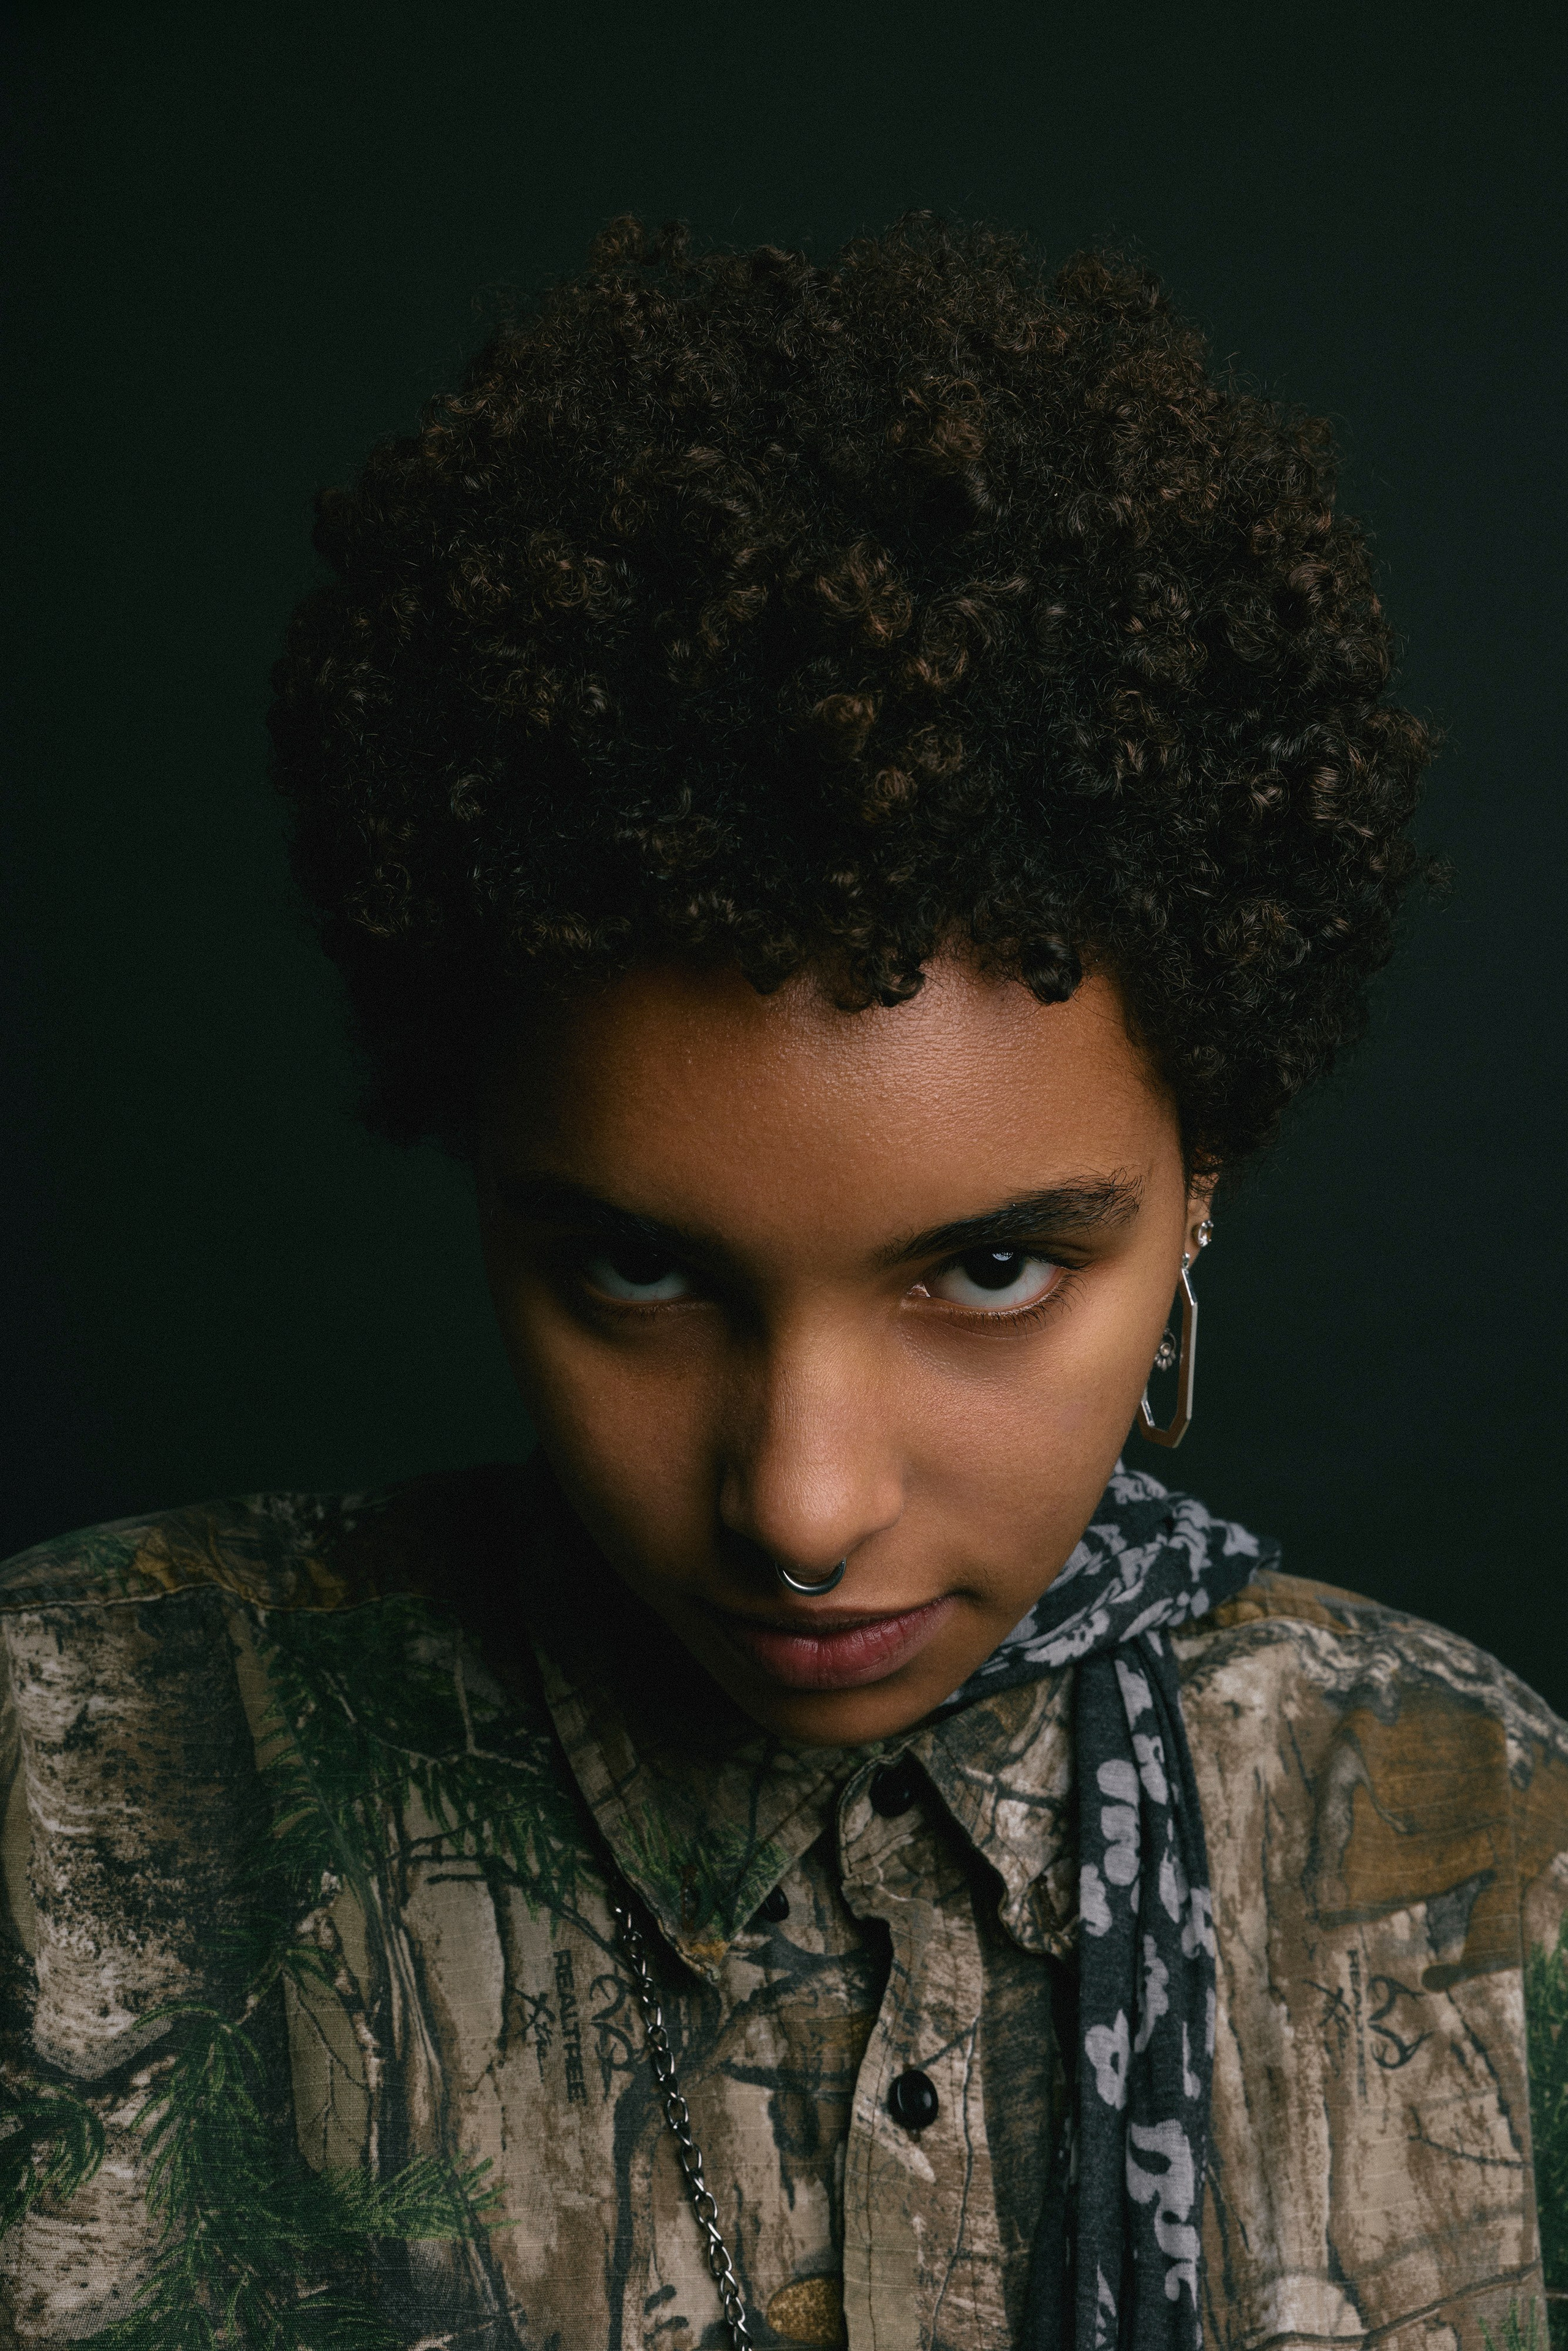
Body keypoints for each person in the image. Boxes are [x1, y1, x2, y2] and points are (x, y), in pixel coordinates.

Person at [1, 214, 1562, 2351]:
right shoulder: (61, 1786)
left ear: (1208, 1178)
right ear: (480, 1170)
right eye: (638, 1269)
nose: (800, 1509)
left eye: (995, 1268)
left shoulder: (1492, 1856)